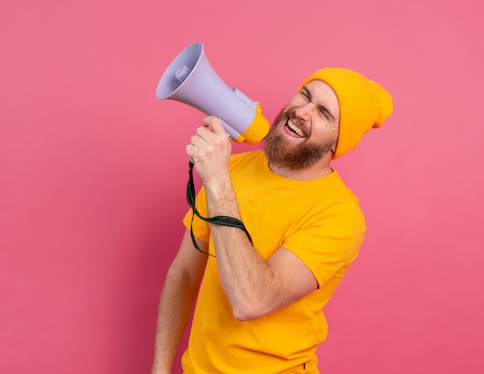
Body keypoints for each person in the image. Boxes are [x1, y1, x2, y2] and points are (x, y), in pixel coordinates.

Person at [151, 67, 394, 374]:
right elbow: (184, 274)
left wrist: (218, 184)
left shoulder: (339, 215)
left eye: (323, 113)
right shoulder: (232, 170)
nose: (302, 111)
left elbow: (251, 302)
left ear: (337, 143)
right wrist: (159, 370)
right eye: (305, 95)